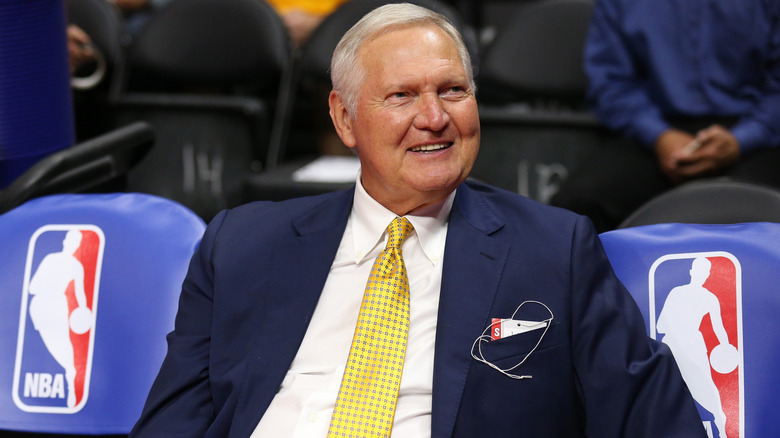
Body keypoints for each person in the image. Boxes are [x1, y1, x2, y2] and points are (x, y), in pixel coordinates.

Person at [129, 4, 706, 437]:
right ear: (345, 118)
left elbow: (658, 421)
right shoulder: (240, 244)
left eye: (453, 90)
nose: (434, 118)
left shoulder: (556, 251)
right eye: (402, 96)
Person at [551, 0, 780, 232]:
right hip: (652, 129)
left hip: (755, 133)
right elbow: (610, 83)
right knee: (579, 205)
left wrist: (740, 141)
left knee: (752, 207)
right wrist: (659, 136)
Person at [657, 257, 736, 438]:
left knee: (710, 397)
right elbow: (660, 326)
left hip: (690, 347)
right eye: (701, 271)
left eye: (705, 272)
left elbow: (719, 329)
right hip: (676, 346)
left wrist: (725, 348)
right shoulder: (680, 293)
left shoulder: (707, 298)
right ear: (693, 272)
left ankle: (722, 432)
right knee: (674, 393)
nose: (703, 275)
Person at [28, 230, 91, 409]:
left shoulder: (75, 266)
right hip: (41, 305)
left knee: (63, 347)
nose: (73, 244)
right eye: (72, 240)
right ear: (66, 241)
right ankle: (69, 374)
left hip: (57, 305)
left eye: (76, 242)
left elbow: (80, 294)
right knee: (51, 346)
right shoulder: (51, 259)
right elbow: (32, 287)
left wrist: (83, 310)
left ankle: (71, 380)